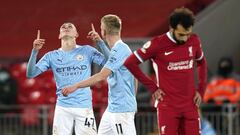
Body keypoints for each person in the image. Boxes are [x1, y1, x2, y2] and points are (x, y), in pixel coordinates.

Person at [124, 7, 207, 135]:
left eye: (188, 34)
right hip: (168, 107)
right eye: (181, 34)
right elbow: (130, 63)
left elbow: (201, 62)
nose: (185, 38)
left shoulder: (194, 40)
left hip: (190, 105)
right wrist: (153, 88)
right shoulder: (157, 44)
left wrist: (201, 90)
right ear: (171, 28)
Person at [62, 14, 137, 135]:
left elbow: (101, 76)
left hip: (121, 110)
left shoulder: (121, 50)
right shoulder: (119, 50)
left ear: (104, 31)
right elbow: (132, 74)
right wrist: (99, 42)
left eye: (101, 27)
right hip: (113, 108)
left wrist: (75, 86)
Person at [26, 22, 106, 135]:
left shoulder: (87, 50)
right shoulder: (51, 56)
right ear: (59, 35)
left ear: (76, 34)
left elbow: (109, 63)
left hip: (84, 107)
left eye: (70, 27)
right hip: (62, 108)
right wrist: (35, 51)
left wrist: (100, 42)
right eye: (63, 27)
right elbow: (31, 74)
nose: (66, 28)